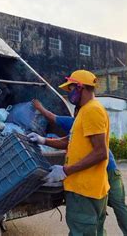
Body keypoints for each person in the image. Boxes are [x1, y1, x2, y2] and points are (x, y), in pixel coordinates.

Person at [33, 100, 127, 236]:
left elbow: (53, 118)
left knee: (108, 210)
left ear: (77, 112)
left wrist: (39, 107)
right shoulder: (80, 122)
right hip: (108, 172)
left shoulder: (80, 121)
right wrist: (43, 140)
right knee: (111, 210)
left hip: (106, 172)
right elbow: (66, 141)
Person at [28, 70, 110, 235]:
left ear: (80, 87)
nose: (69, 94)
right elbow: (69, 140)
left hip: (84, 189)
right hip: (88, 188)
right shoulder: (85, 110)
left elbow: (101, 152)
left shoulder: (91, 111)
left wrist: (66, 170)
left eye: (71, 89)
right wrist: (43, 140)